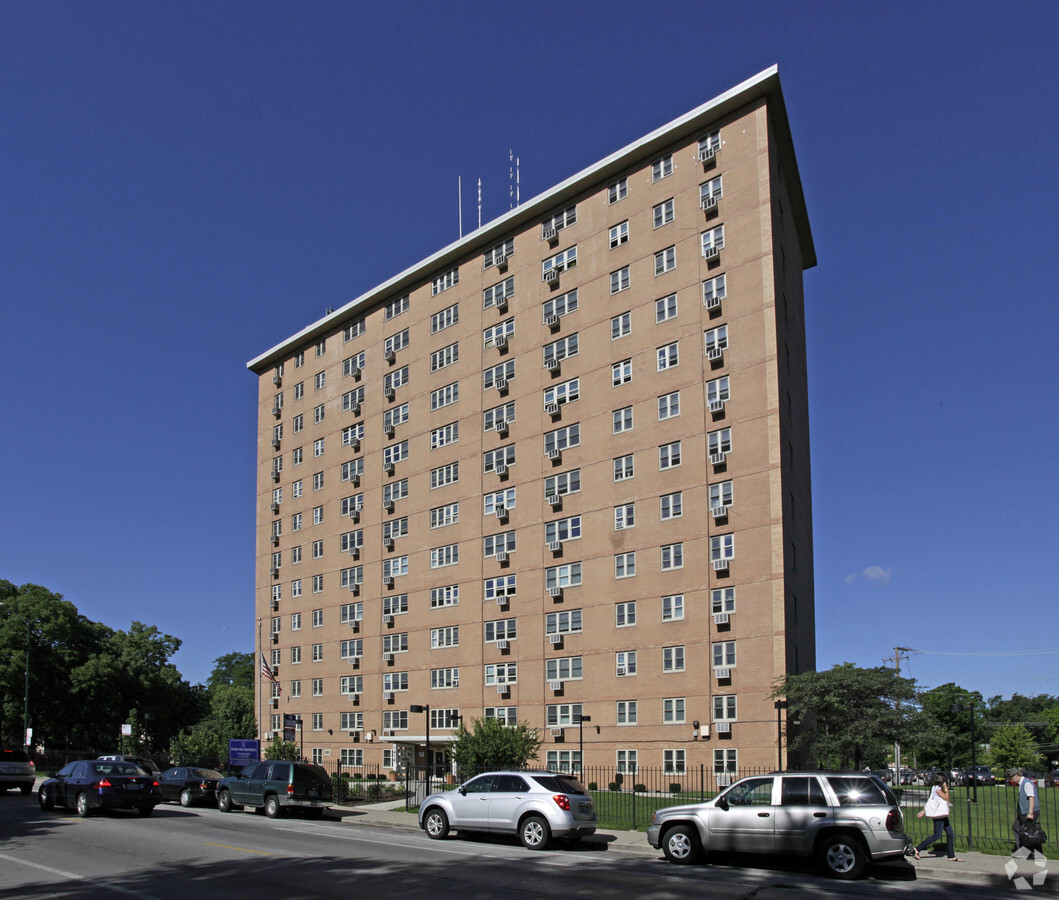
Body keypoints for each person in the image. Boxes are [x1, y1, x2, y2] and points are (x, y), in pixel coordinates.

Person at [913, 775, 961, 861]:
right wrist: (946, 789)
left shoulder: (934, 788)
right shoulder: (938, 789)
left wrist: (923, 811)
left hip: (942, 814)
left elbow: (931, 801)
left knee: (950, 833)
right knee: (937, 835)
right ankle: (917, 849)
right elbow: (947, 798)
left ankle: (951, 855)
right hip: (939, 815)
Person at [1009, 767, 1040, 855]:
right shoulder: (1023, 783)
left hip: (1028, 812)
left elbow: (1032, 798)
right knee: (1017, 828)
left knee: (1028, 833)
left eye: (1012, 777)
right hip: (1023, 812)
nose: (1012, 779)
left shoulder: (1026, 783)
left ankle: (1030, 853)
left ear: (1016, 776)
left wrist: (1030, 813)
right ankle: (1026, 851)